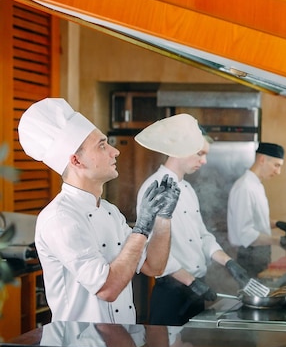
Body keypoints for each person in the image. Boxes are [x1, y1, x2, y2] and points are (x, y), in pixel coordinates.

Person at [17, 98, 178, 324]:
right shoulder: (60, 219)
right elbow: (107, 288)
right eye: (102, 145)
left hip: (119, 341)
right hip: (81, 346)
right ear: (76, 161)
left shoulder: (109, 211)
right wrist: (141, 227)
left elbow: (154, 265)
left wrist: (163, 218)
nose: (115, 152)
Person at [135, 114, 252, 326]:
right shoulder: (155, 188)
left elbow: (202, 236)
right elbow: (151, 252)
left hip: (196, 288)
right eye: (200, 153)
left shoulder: (187, 188)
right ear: (180, 150)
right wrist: (190, 281)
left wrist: (228, 261)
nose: (204, 161)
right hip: (172, 292)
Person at [227, 142, 286, 276]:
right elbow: (245, 233)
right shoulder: (244, 187)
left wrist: (277, 224)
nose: (278, 172)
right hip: (249, 257)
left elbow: (256, 220)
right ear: (262, 159)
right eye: (276, 165)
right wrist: (278, 241)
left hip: (261, 254)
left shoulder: (257, 185)